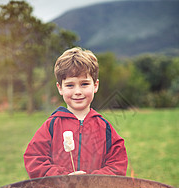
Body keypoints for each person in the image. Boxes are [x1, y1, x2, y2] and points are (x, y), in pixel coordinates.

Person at [24, 47, 128, 178]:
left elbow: (117, 164)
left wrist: (90, 179)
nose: (77, 91)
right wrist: (64, 177)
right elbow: (34, 159)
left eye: (84, 84)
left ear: (95, 85)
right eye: (70, 85)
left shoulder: (104, 127)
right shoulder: (52, 125)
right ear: (60, 88)